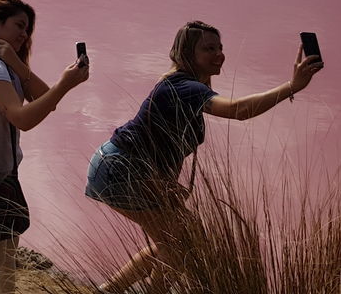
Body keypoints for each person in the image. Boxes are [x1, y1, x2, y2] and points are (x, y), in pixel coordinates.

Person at [84, 21, 324, 293]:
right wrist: (292, 86)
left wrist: (165, 185)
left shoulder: (184, 86)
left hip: (118, 166)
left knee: (178, 238)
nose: (219, 54)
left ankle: (107, 291)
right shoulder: (185, 87)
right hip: (121, 170)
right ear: (187, 53)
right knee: (182, 241)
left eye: (220, 47)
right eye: (209, 48)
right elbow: (238, 110)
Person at [0, 0, 90, 294]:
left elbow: (43, 99)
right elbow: (22, 119)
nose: (24, 34)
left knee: (7, 258)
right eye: (19, 25)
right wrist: (64, 84)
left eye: (27, 29)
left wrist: (18, 63)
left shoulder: (4, 63)